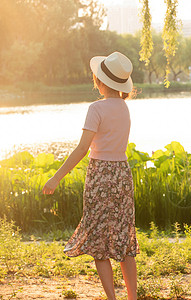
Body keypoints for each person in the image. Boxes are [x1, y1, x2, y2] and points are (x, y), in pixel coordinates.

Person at [42, 52, 139, 300]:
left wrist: (56, 178)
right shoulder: (124, 108)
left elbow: (82, 149)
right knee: (124, 238)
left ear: (100, 80)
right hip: (122, 175)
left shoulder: (96, 108)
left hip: (100, 176)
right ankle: (132, 298)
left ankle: (112, 299)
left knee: (98, 240)